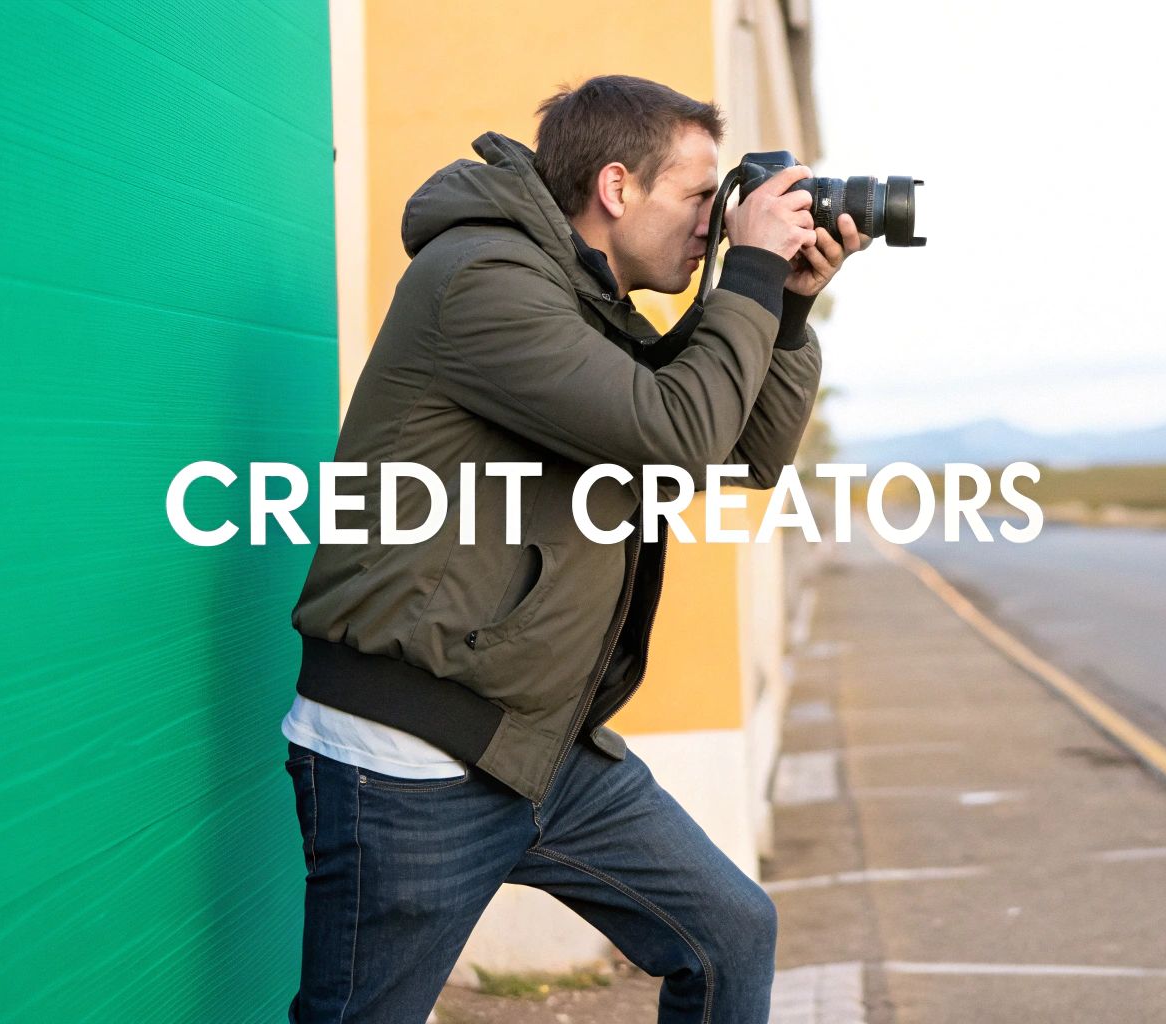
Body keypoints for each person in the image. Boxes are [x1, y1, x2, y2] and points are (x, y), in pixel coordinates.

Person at [279, 74, 865, 1023]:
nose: (715, 226)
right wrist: (749, 273)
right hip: (411, 755)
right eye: (698, 198)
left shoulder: (586, 306)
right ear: (617, 186)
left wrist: (784, 309)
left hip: (531, 743)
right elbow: (676, 428)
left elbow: (744, 452)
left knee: (729, 933)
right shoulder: (481, 283)